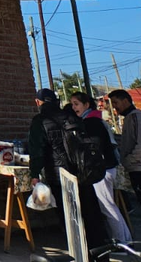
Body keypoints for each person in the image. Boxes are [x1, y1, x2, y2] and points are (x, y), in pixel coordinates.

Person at [29, 88, 108, 246]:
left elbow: (37, 150)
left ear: (38, 102)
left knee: (70, 218)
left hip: (60, 176)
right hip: (83, 171)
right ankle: (99, 250)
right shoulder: (71, 116)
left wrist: (35, 174)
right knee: (90, 214)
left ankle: (79, 251)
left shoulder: (40, 121)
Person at [70, 91, 131, 243]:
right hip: (107, 167)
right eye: (72, 105)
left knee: (108, 207)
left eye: (76, 104)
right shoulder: (95, 120)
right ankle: (126, 240)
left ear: (86, 105)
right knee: (110, 206)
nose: (73, 108)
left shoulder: (91, 122)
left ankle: (121, 242)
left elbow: (94, 148)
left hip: (101, 169)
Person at [108, 88, 141, 214]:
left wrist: (127, 161)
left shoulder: (137, 117)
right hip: (137, 169)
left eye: (115, 102)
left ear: (125, 101)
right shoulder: (130, 118)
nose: (114, 107)